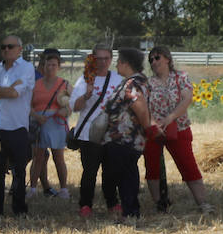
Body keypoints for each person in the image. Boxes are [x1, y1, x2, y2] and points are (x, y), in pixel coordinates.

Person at [144, 46, 214, 214]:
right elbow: (144, 107)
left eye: (157, 57)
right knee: (151, 167)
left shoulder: (181, 77)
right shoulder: (149, 83)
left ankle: (203, 203)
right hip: (154, 130)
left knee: (188, 165)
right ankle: (159, 204)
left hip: (179, 128)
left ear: (167, 59)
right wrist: (154, 123)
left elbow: (186, 99)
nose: (154, 62)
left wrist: (170, 118)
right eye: (151, 60)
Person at [69, 44, 123, 218]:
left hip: (111, 133)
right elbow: (74, 108)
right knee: (90, 172)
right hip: (88, 133)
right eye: (98, 58)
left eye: (106, 58)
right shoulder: (84, 80)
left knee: (111, 171)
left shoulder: (118, 79)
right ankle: (85, 205)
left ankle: (112, 203)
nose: (102, 62)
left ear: (111, 59)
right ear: (92, 59)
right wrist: (86, 95)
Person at [100, 48, 152, 223]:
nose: (116, 64)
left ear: (126, 64)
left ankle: (130, 212)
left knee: (124, 177)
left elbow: (140, 108)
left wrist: (147, 128)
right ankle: (129, 211)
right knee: (126, 175)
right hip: (126, 139)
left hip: (124, 139)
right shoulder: (137, 81)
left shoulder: (132, 84)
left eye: (119, 61)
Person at [0, 35, 35, 218]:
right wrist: (5, 90)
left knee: (19, 172)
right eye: (3, 47)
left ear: (19, 49)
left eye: (10, 46)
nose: (6, 50)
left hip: (17, 127)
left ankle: (19, 208)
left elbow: (15, 93)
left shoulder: (27, 68)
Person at [29, 48, 71, 198]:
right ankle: (33, 188)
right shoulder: (35, 84)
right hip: (39, 122)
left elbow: (69, 108)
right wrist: (35, 116)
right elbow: (28, 105)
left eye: (54, 65)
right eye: (48, 65)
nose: (51, 68)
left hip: (56, 123)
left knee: (58, 156)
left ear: (58, 67)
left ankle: (64, 189)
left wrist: (62, 112)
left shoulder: (64, 84)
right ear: (43, 66)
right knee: (38, 156)